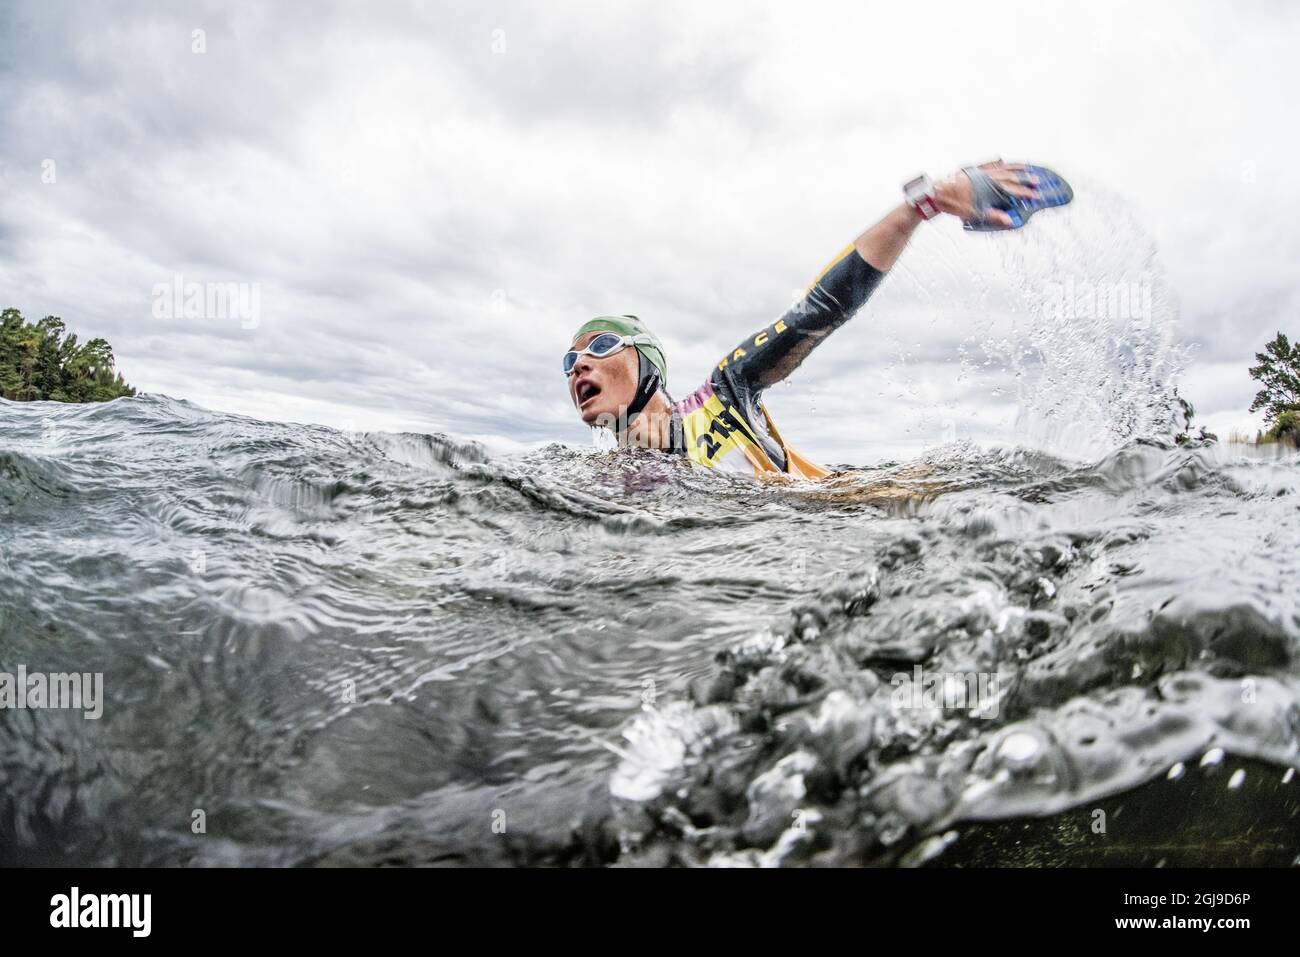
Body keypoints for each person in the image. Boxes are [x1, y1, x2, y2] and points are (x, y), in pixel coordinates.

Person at [562, 160, 1071, 479]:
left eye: (600, 346)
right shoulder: (603, 483)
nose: (579, 366)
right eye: (570, 360)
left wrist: (925, 203)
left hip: (860, 514)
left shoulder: (724, 395)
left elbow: (821, 309)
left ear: (648, 364)